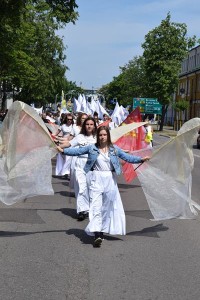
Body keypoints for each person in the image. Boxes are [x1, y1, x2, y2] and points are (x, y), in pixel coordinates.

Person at [57, 126, 150, 248]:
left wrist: (140, 159)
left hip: (110, 180)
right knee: (96, 206)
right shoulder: (92, 148)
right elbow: (78, 151)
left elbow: (127, 157)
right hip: (96, 179)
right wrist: (63, 151)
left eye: (104, 135)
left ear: (108, 136)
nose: (102, 137)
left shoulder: (114, 149)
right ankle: (98, 234)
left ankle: (101, 229)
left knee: (106, 207)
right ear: (98, 136)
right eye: (100, 135)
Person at [58, 116, 97, 221]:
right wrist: (59, 146)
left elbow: (108, 146)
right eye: (87, 124)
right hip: (80, 164)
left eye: (91, 124)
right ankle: (81, 211)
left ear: (94, 126)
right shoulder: (80, 137)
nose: (89, 126)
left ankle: (89, 209)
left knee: (91, 188)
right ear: (84, 126)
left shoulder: (97, 137)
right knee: (80, 187)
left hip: (93, 165)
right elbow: (69, 143)